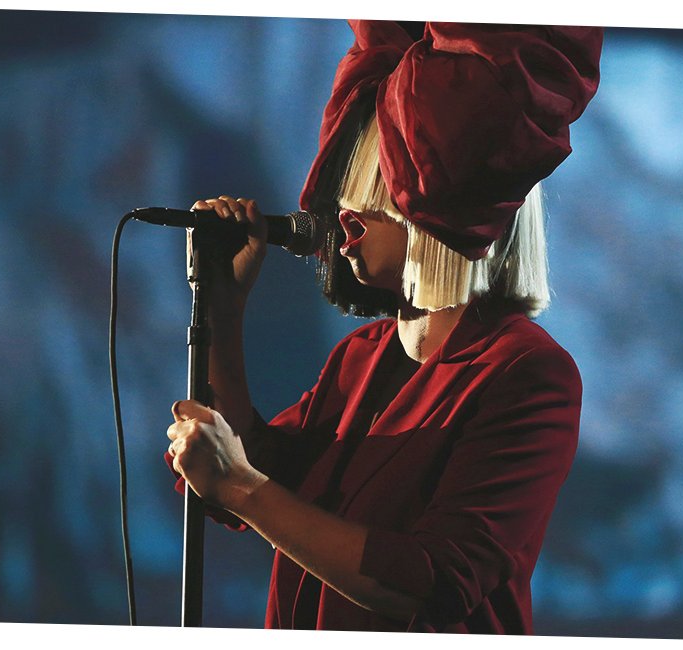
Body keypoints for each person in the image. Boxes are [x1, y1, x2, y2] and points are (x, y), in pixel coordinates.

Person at [165, 20, 602, 633]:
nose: (343, 221)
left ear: (443, 213)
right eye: (345, 196)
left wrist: (240, 486)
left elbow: (429, 582)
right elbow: (260, 471)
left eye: (375, 199)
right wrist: (223, 309)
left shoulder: (527, 374)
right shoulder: (363, 355)